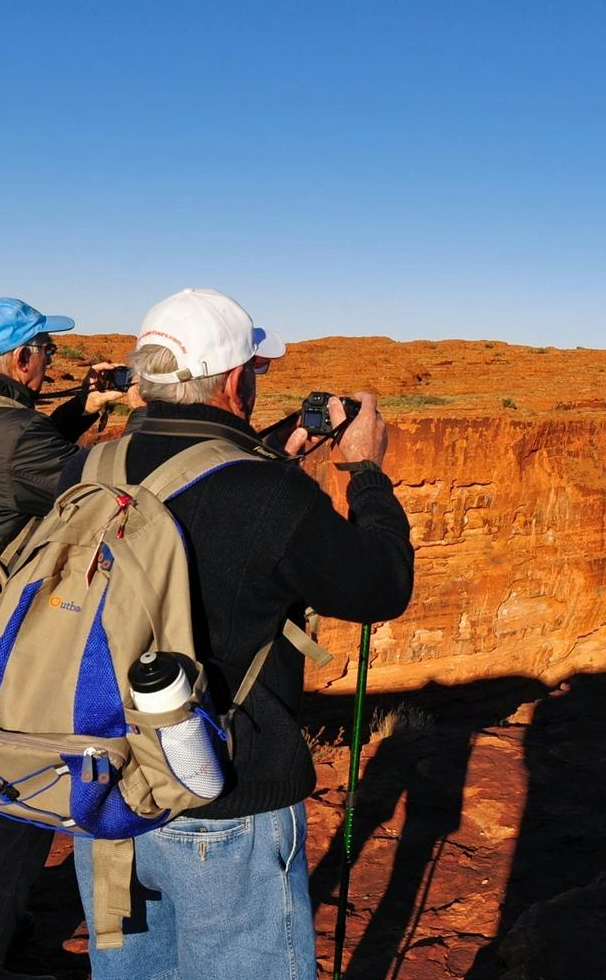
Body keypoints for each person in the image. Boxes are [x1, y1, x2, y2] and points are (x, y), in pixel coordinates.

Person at [67, 287, 415, 979]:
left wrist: (274, 456)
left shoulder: (88, 468)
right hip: (224, 798)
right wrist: (365, 471)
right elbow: (379, 588)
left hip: (105, 787)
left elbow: (191, 499)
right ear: (234, 380)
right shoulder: (267, 495)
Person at [0, 297, 131, 980]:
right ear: (20, 357)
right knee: (18, 801)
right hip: (5, 646)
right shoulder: (16, 433)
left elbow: (18, 453)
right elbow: (96, 489)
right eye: (47, 352)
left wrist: (85, 404)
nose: (52, 364)